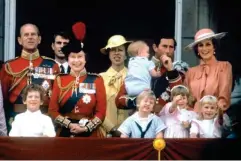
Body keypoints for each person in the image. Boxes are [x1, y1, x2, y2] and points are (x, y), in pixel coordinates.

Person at [0, 23, 60, 131]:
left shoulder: (52, 65)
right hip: (16, 120)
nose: (30, 37)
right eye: (26, 35)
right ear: (19, 40)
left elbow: (57, 97)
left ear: (39, 39)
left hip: (44, 119)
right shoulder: (9, 66)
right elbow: (3, 98)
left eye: (33, 34)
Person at [48, 39, 106, 137]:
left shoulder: (97, 80)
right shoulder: (60, 79)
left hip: (90, 132)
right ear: (68, 59)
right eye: (72, 57)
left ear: (85, 59)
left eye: (80, 57)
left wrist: (85, 128)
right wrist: (69, 125)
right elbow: (52, 110)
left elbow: (101, 112)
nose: (76, 61)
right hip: (65, 131)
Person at [116, 36, 184, 113]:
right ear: (155, 47)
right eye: (164, 46)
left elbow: (180, 95)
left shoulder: (178, 71)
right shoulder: (140, 66)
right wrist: (139, 101)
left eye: (171, 47)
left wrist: (171, 70)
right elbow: (119, 100)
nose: (168, 51)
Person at [185, 28, 232, 112]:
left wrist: (213, 114)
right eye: (200, 45)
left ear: (214, 47)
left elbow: (224, 97)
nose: (204, 48)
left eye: (208, 44)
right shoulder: (190, 72)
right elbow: (186, 100)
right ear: (197, 50)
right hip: (193, 119)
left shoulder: (224, 66)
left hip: (214, 117)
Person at [99, 35, 132, 137]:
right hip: (106, 133)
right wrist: (111, 129)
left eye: (120, 50)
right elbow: (97, 108)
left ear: (126, 54)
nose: (117, 53)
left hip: (130, 134)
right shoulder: (100, 78)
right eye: (113, 50)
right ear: (109, 54)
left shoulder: (134, 77)